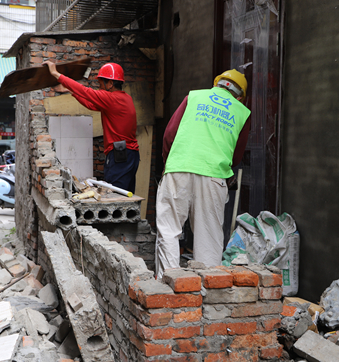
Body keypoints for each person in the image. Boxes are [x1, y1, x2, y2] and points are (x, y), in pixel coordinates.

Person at [155, 69, 251, 279]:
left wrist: (167, 163)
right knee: (208, 238)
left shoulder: (194, 96)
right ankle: (208, 290)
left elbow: (170, 134)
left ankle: (166, 285)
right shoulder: (242, 112)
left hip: (178, 168)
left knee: (169, 231)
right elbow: (235, 156)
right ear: (240, 96)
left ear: (216, 84)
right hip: (214, 174)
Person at [45, 61, 140, 192]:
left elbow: (85, 91)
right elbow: (91, 105)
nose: (100, 88)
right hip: (131, 155)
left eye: (101, 85)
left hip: (119, 155)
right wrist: (71, 91)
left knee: (116, 195)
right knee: (127, 195)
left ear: (110, 84)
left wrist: (56, 74)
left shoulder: (112, 99)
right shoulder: (125, 99)